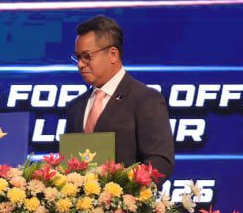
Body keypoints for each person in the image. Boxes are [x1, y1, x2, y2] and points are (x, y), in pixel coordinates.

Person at [63, 15, 175, 179]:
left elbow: (160, 161)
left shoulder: (145, 99)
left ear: (113, 54)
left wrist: (124, 192)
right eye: (78, 57)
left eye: (87, 56)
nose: (80, 64)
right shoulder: (76, 106)